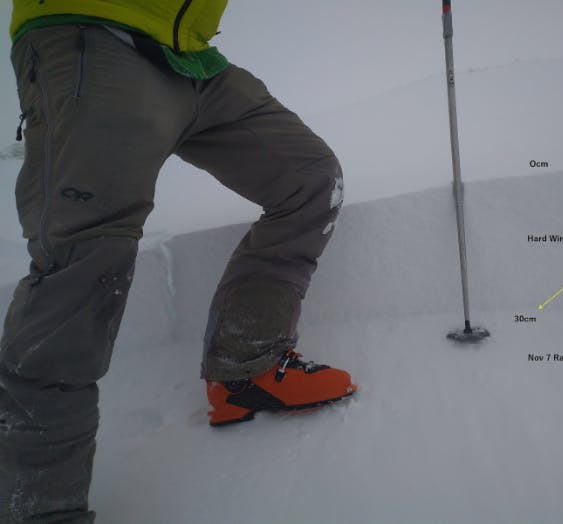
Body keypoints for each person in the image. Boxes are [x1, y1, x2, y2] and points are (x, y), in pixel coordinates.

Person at [0, 2, 357, 522]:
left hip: (190, 55)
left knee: (309, 179)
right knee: (83, 261)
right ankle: (38, 507)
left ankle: (244, 369)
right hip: (92, 31)